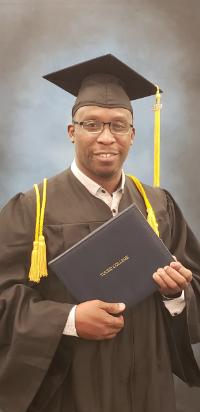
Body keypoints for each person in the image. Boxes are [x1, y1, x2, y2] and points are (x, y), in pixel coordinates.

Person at [0, 54, 200, 412]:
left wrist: (176, 295)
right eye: (92, 124)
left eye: (118, 125)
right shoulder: (32, 207)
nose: (106, 137)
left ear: (133, 134)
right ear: (72, 131)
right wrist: (68, 320)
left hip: (150, 391)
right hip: (72, 394)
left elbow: (194, 285)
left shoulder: (159, 205)